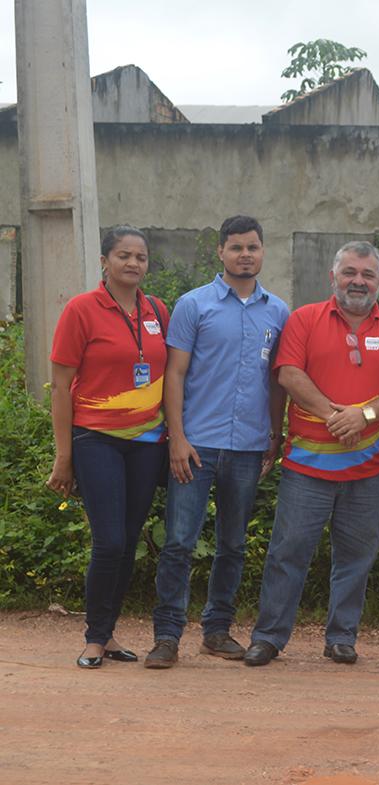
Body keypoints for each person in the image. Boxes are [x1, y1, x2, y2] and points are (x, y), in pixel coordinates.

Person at [243, 241, 379, 667]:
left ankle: (342, 637)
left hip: (367, 469)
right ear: (333, 277)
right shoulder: (304, 320)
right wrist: (335, 415)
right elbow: (287, 373)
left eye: (368, 274)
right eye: (350, 273)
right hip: (307, 467)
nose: (358, 281)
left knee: (356, 556)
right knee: (288, 552)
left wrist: (366, 414)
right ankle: (268, 637)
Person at [145, 216, 289, 668]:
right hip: (196, 446)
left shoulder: (279, 312)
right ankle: (167, 636)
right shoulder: (194, 305)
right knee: (179, 543)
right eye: (235, 247)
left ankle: (217, 631)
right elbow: (176, 373)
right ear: (220, 253)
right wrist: (177, 437)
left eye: (252, 247)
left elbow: (278, 381)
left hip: (248, 447)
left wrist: (275, 432)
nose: (245, 254)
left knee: (234, 544)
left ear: (263, 251)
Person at [46, 226, 169, 669]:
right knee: (109, 540)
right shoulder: (81, 310)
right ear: (104, 261)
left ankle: (110, 632)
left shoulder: (157, 310)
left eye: (140, 256)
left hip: (148, 442)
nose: (133, 263)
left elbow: (169, 376)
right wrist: (65, 456)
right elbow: (60, 387)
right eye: (123, 255)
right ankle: (95, 638)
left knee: (129, 539)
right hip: (95, 437)